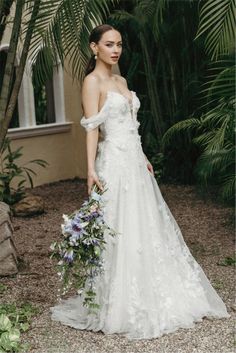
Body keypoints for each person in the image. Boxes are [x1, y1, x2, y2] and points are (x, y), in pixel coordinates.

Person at [50, 24, 230, 340]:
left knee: (146, 223)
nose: (115, 49)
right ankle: (118, 302)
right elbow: (93, 128)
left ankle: (155, 289)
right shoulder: (92, 82)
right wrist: (90, 170)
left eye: (119, 44)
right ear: (94, 48)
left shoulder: (121, 80)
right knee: (120, 224)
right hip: (113, 163)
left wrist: (143, 154)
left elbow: (131, 124)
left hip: (134, 159)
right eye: (108, 44)